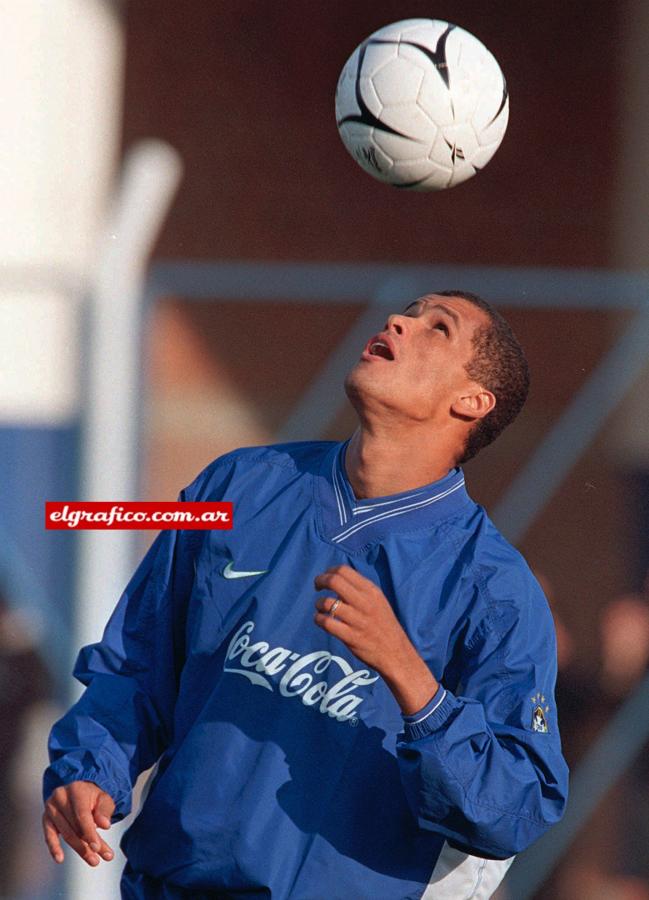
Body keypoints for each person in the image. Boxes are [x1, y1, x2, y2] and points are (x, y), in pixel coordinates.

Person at [42, 291, 569, 899]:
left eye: (438, 329)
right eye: (408, 311)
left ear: (472, 401)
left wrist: (414, 684)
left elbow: (514, 810)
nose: (398, 322)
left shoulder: (497, 590)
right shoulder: (237, 484)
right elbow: (138, 663)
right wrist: (92, 768)